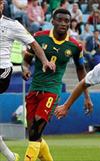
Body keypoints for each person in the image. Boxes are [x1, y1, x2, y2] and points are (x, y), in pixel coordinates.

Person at [21, 8, 92, 161]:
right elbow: (26, 60)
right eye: (59, 20)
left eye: (66, 21)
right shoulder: (39, 38)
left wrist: (87, 96)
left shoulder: (75, 46)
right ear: (52, 21)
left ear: (70, 24)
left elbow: (81, 71)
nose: (63, 23)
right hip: (34, 89)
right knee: (34, 134)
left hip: (52, 90)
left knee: (37, 127)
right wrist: (25, 69)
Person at [0, 0, 55, 160]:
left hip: (2, 71)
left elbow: (33, 44)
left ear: (2, 5)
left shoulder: (12, 25)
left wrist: (45, 61)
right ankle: (12, 157)